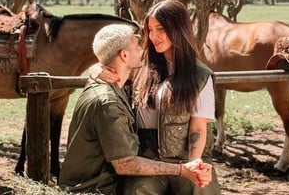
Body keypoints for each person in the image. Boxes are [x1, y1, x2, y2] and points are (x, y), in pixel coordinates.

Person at [58, 24, 213, 194]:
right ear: (124, 55)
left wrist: (96, 67)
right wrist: (181, 170)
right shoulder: (108, 103)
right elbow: (126, 164)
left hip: (101, 181)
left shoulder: (112, 84)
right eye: (136, 44)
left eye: (160, 29)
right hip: (94, 188)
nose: (142, 47)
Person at [91, 0, 221, 195]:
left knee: (200, 189)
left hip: (186, 156)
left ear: (178, 29)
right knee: (138, 191)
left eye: (160, 29)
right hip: (147, 159)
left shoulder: (200, 75)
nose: (153, 36)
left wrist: (194, 164)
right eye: (150, 30)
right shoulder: (140, 64)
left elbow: (198, 129)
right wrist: (96, 69)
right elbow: (113, 60)